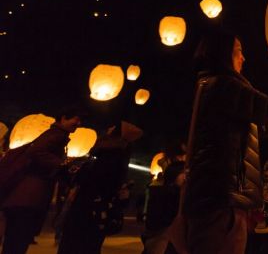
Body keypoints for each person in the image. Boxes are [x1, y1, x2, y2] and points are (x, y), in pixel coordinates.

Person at [182, 29, 268, 254]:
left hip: (215, 195)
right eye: (238, 51)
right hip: (221, 199)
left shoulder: (210, 85)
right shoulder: (225, 85)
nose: (243, 58)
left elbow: (260, 126)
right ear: (223, 54)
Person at [1, 106, 84, 254]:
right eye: (76, 119)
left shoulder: (56, 135)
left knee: (14, 239)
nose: (78, 124)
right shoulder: (56, 135)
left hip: (22, 195)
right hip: (29, 196)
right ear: (63, 118)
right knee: (18, 239)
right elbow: (36, 151)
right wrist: (62, 164)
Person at [57, 120, 142, 254]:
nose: (109, 128)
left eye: (113, 127)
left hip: (86, 212)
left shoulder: (109, 157)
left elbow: (91, 181)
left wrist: (70, 172)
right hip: (96, 215)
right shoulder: (118, 157)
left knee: (76, 246)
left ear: (116, 135)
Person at [143, 161, 185, 254]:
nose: (186, 177)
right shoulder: (166, 194)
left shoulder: (162, 192)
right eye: (183, 173)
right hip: (163, 238)